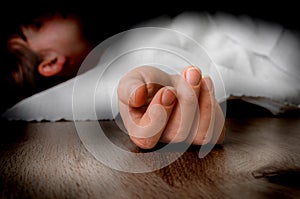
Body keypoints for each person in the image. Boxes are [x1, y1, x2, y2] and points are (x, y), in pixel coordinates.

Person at [0, 1, 226, 149]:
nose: (49, 14)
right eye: (38, 25)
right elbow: (133, 77)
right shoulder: (101, 83)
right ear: (51, 62)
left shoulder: (111, 47)